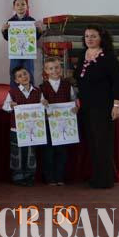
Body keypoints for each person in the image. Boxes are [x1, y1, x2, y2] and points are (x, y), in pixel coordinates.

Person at [75, 25, 119, 189]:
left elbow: (118, 83)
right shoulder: (82, 54)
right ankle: (96, 176)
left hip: (103, 106)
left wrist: (116, 105)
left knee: (102, 143)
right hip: (86, 106)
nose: (89, 39)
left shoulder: (109, 57)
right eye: (87, 36)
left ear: (101, 38)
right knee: (92, 142)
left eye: (93, 36)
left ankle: (106, 179)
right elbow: (79, 79)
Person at [40, 56, 77, 186]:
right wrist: (42, 103)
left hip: (64, 124)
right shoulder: (42, 87)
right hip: (48, 123)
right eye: (51, 68)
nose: (54, 70)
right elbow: (40, 105)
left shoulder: (67, 85)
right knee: (48, 152)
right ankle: (49, 177)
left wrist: (75, 108)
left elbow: (73, 101)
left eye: (56, 67)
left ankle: (60, 177)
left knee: (62, 151)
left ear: (60, 68)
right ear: (46, 71)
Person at [2, 66, 41, 186]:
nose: (23, 77)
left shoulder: (38, 91)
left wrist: (44, 103)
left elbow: (43, 107)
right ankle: (17, 176)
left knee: (30, 152)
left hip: (33, 129)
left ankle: (30, 176)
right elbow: (5, 107)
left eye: (25, 73)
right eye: (20, 76)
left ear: (29, 74)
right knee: (16, 153)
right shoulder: (12, 92)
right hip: (16, 129)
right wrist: (10, 105)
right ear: (16, 80)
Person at [1, 0, 44, 85]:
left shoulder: (32, 21)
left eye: (23, 4)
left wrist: (40, 30)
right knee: (14, 72)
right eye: (17, 5)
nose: (20, 6)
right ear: (14, 8)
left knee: (29, 72)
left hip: (28, 53)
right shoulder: (10, 21)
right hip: (15, 53)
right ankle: (14, 92)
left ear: (27, 7)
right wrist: (3, 30)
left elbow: (35, 38)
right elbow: (8, 38)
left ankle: (31, 92)